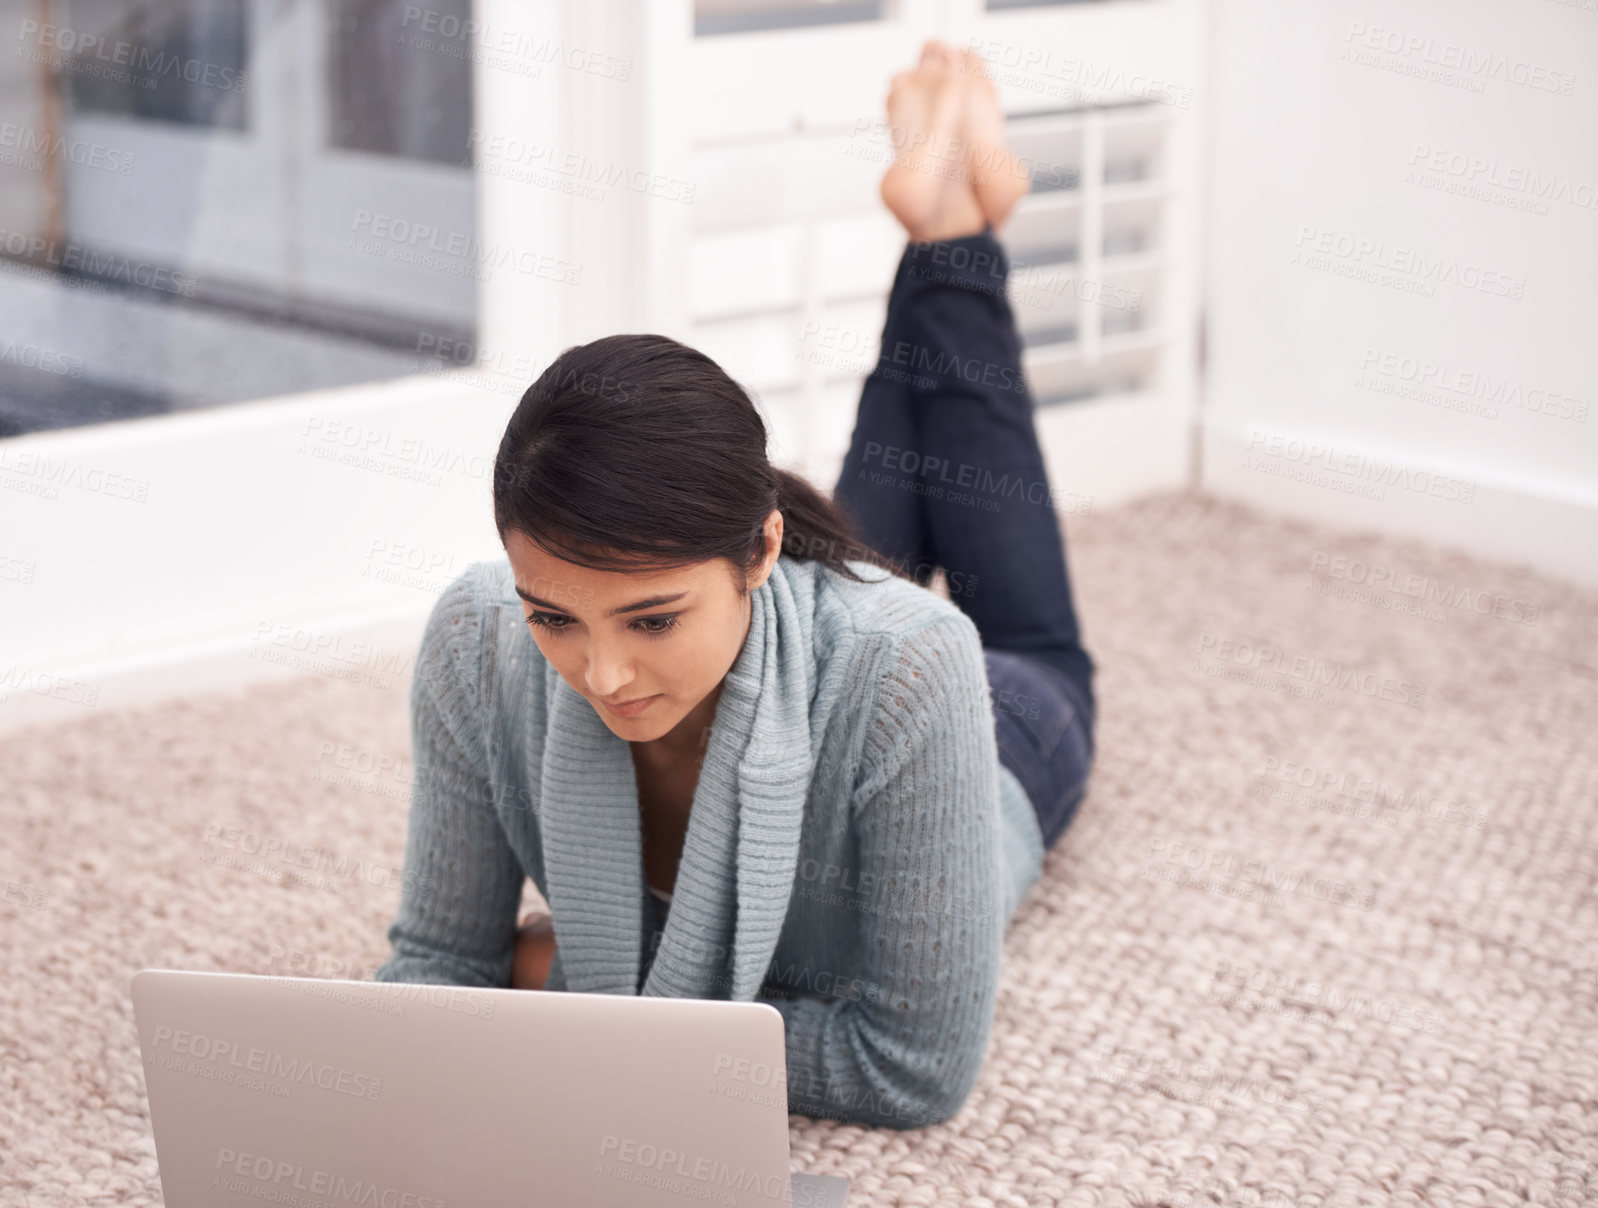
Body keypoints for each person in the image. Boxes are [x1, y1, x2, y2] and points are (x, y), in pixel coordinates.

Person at [372, 40, 1095, 1129]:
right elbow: (434, 974)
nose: (601, 673)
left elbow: (908, 1071)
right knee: (895, 492)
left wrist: (566, 992)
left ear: (761, 555)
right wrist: (604, 999)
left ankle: (952, 229)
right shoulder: (479, 639)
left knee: (1034, 638)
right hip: (801, 620)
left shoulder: (911, 663)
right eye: (554, 619)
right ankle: (947, 225)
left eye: (651, 617)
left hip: (995, 721)